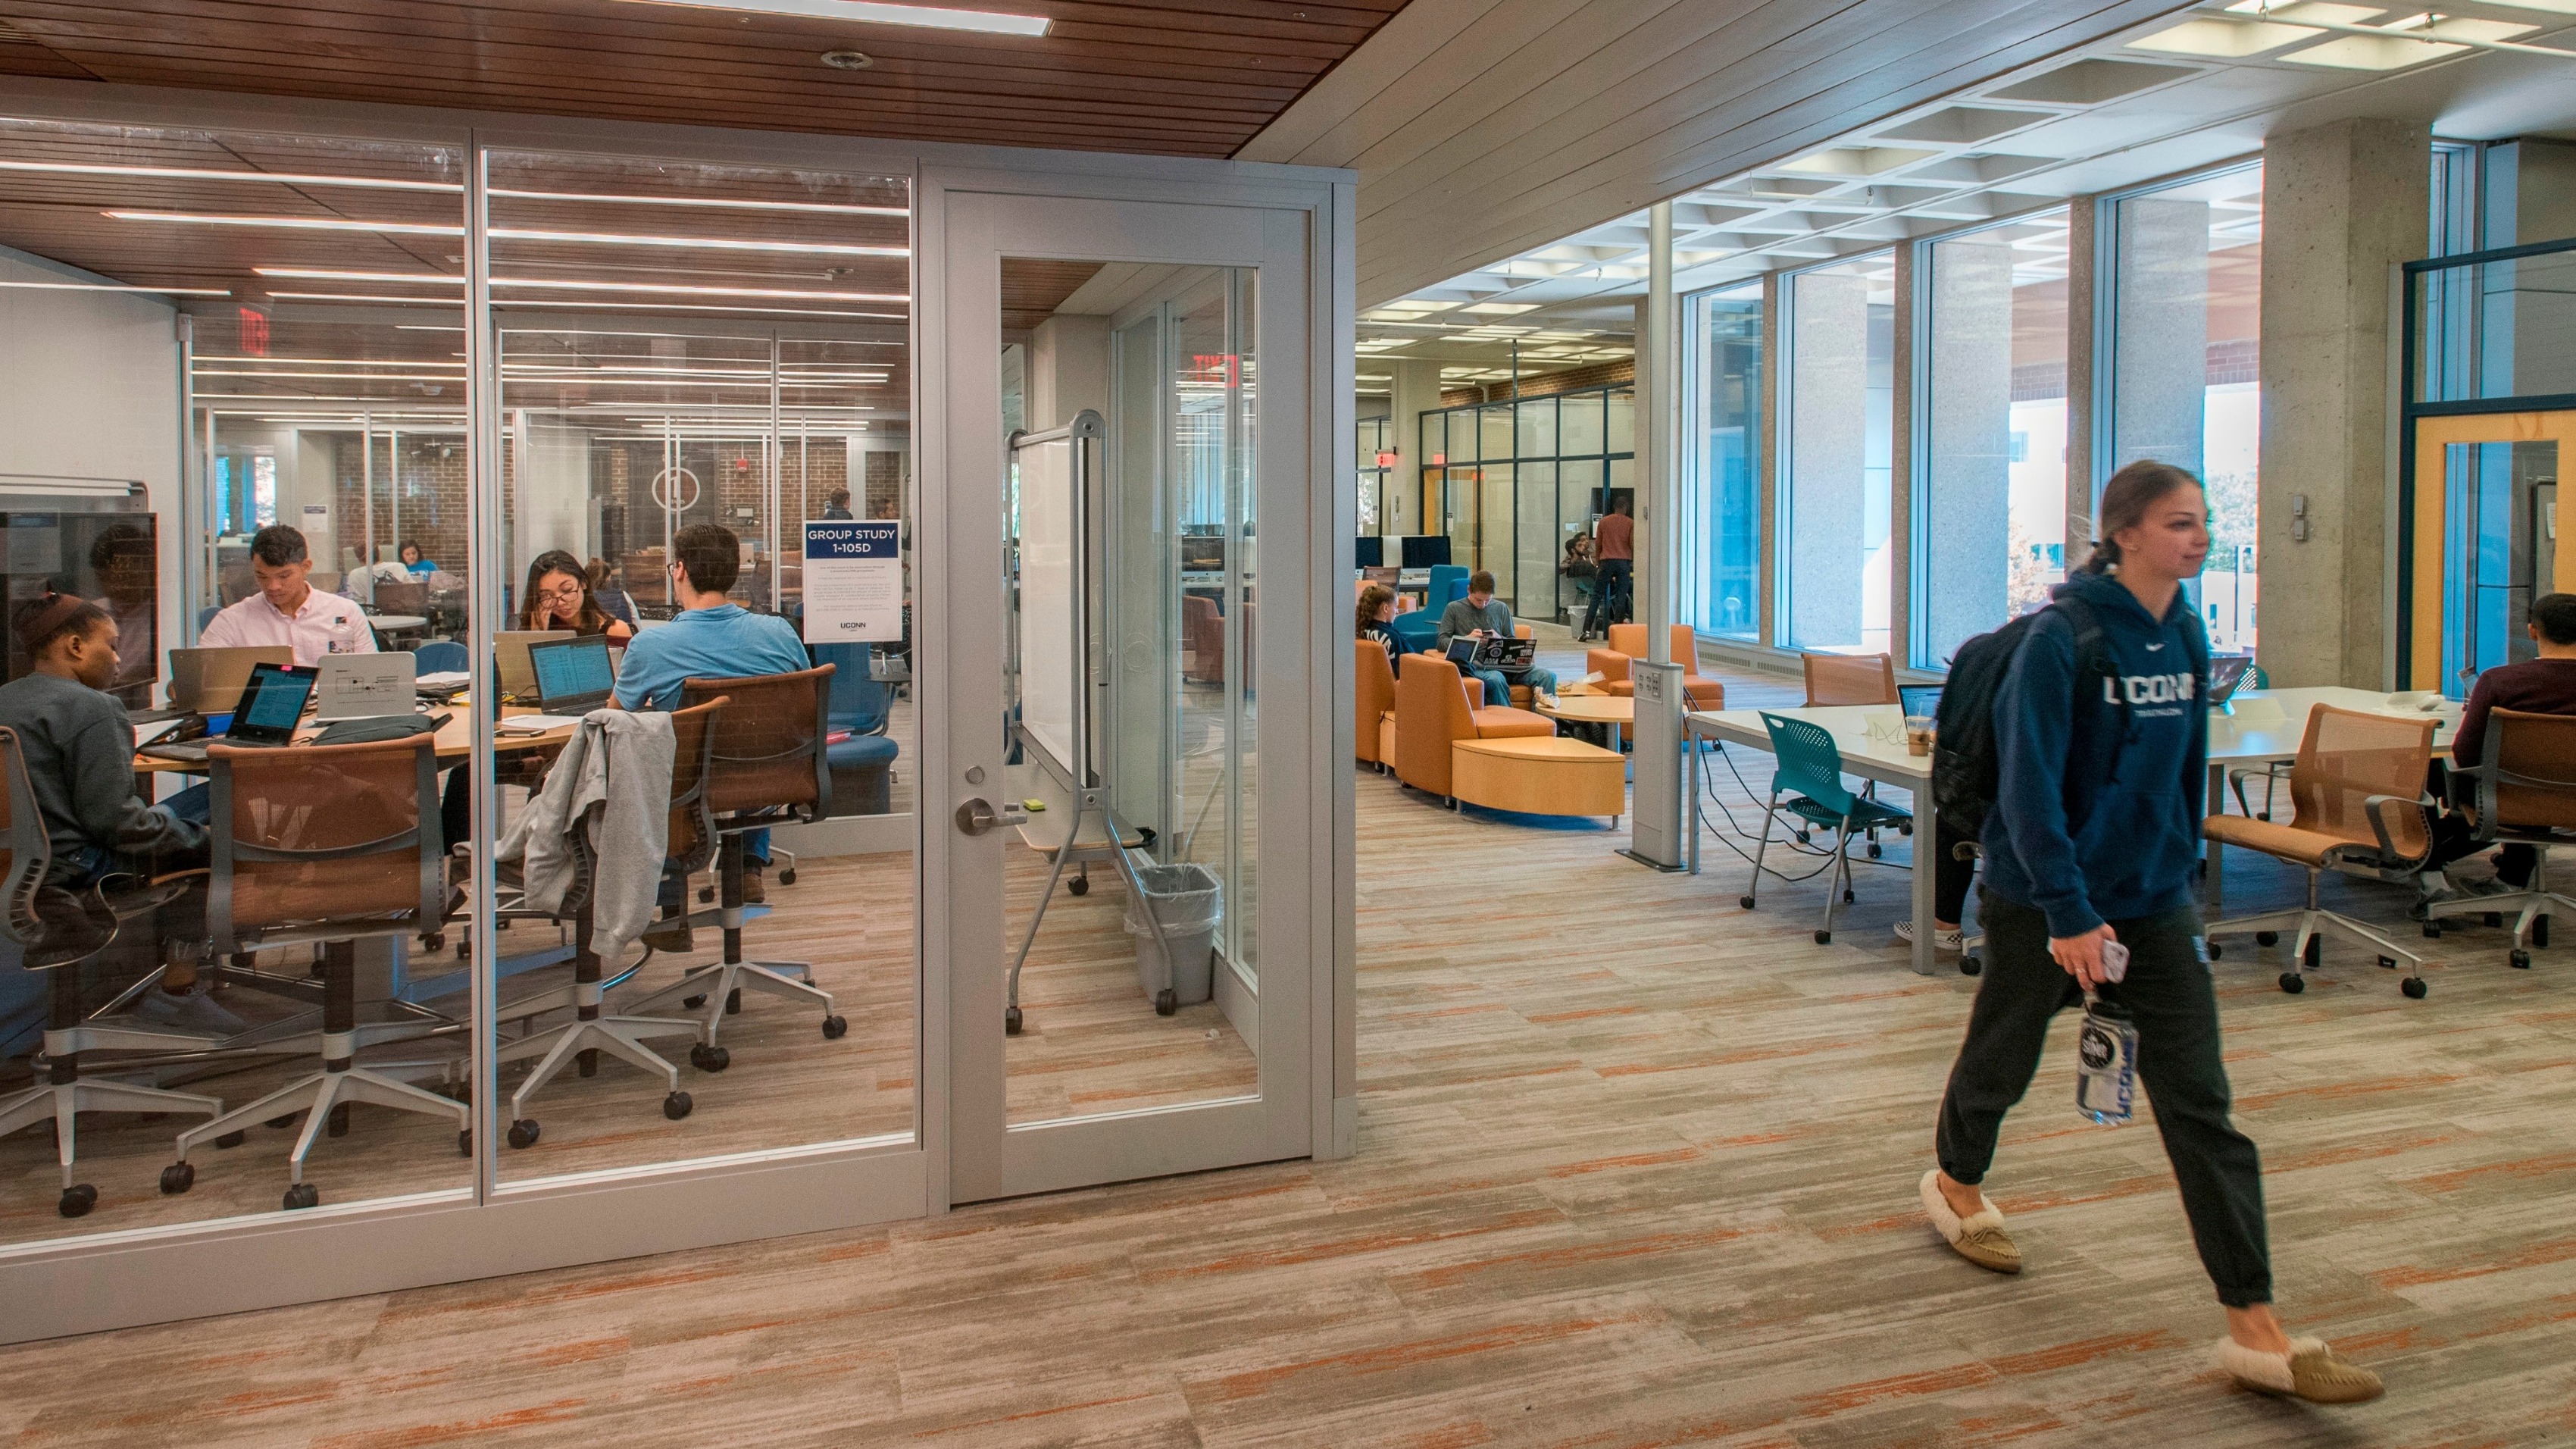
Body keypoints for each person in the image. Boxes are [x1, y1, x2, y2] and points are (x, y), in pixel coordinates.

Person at [1921, 460, 2382, 1404]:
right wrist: (2069, 912)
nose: (2199, 538)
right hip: (2046, 901)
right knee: (2001, 1058)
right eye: (2180, 523)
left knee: (2201, 1105)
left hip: (2155, 903)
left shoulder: (2183, 628)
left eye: (2203, 523)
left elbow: (2182, 769)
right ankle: (1956, 1183)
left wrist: (2177, 885)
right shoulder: (2062, 638)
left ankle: (2254, 1326)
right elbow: (2029, 788)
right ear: (2125, 531)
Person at [0, 593, 229, 1032]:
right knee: (219, 833)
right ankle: (177, 994)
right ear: (75, 647)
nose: (119, 658)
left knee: (208, 797)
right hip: (79, 866)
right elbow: (120, 825)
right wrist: (209, 843)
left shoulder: (7, 700)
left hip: (21, 867)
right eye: (112, 644)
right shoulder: (92, 707)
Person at [614, 523, 808, 904]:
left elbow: (613, 720)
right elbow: (802, 706)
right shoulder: (781, 633)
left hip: (690, 787)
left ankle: (669, 897)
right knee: (751, 739)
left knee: (650, 757)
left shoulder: (651, 645)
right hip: (775, 775)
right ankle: (748, 864)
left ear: (680, 570)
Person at [2422, 590, 2576, 902]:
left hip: (2502, 796)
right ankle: (2511, 879)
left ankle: (2431, 875)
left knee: (2419, 775)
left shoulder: (2499, 681)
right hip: (2570, 796)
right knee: (2538, 774)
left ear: (2533, 631)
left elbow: (2463, 756)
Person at [198, 524, 378, 665]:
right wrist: (180, 688)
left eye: (284, 576)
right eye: (262, 576)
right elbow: (196, 678)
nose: (273, 586)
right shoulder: (234, 620)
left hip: (331, 710)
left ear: (306, 567)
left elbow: (370, 673)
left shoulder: (344, 611)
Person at [1436, 571, 1556, 707]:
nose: (1483, 605)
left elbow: (1512, 641)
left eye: (1488, 600)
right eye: (1478, 600)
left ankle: (1542, 724)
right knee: (1496, 679)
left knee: (1547, 676)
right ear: (1469, 590)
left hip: (1505, 663)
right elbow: (1441, 642)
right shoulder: (1454, 608)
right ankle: (1508, 724)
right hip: (1478, 666)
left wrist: (1499, 638)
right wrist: (1467, 639)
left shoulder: (1501, 608)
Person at [86, 523, 159, 708]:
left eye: (124, 578)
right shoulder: (90, 614)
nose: (113, 586)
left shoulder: (161, 620)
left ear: (146, 568)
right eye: (104, 578)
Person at [521, 549, 633, 643]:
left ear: (583, 582)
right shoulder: (534, 627)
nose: (560, 602)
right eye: (547, 595)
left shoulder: (614, 630)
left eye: (567, 590)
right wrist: (537, 638)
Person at [1593, 494, 1634, 632]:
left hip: (1606, 561)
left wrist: (1598, 561)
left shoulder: (1604, 522)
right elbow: (1632, 543)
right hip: (1623, 562)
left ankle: (1586, 630)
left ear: (1614, 507)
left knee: (1597, 595)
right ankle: (1617, 631)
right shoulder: (1630, 523)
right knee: (1621, 596)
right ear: (1626, 508)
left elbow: (1598, 544)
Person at [1357, 582, 1405, 674]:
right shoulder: (1391, 637)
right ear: (1386, 608)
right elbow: (1401, 672)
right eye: (1396, 607)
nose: (1397, 611)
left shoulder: (1363, 631)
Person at [587, 558, 639, 628]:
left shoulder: (582, 598)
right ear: (608, 577)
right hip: (623, 637)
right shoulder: (623, 595)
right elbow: (637, 627)